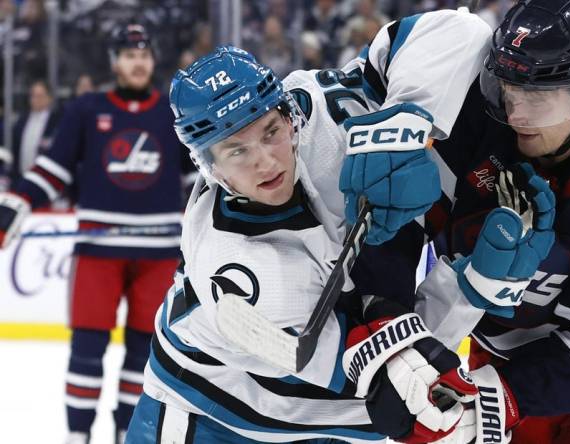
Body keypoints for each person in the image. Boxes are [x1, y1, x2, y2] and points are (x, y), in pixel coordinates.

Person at [127, 7, 495, 442]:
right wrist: (476, 286)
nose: (265, 160)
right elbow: (381, 377)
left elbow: (460, 30)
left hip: (334, 423)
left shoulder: (330, 113)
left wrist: (400, 126)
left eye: (270, 132)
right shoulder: (231, 261)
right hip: (213, 412)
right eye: (236, 151)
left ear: (289, 114)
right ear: (209, 168)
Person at [345, 1, 570, 442]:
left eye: (539, 98)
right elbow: (394, 223)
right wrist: (386, 320)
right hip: (493, 357)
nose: (515, 114)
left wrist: (499, 396)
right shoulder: (466, 121)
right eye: (507, 89)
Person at [0, 23, 194, 444]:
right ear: (115, 62)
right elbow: (52, 170)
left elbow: (200, 176)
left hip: (158, 253)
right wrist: (15, 203)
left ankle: (127, 432)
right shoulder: (86, 110)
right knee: (86, 349)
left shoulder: (172, 113)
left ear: (152, 60)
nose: (138, 63)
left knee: (143, 354)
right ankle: (78, 436)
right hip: (97, 251)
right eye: (129, 55)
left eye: (143, 55)